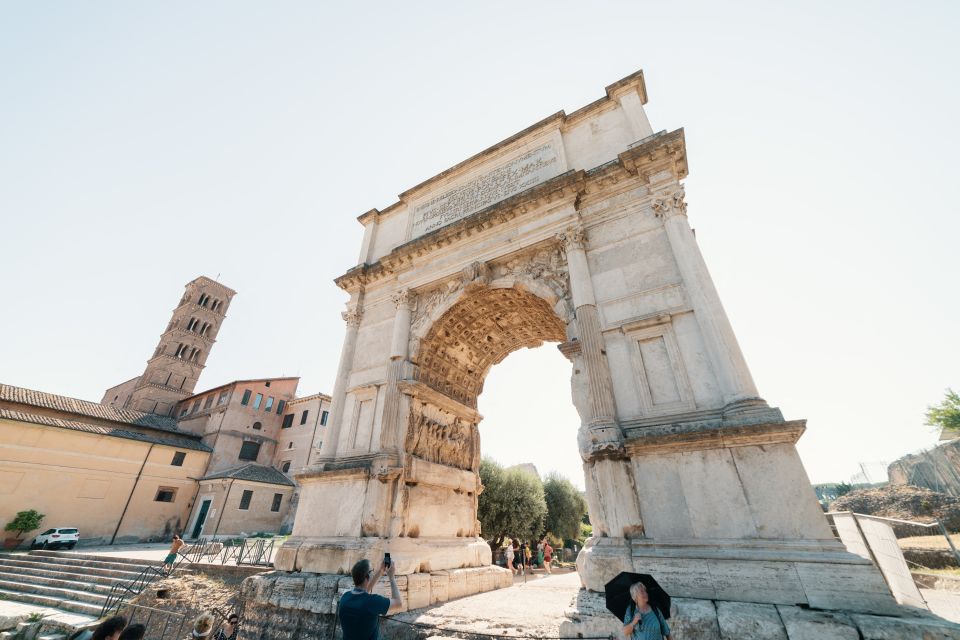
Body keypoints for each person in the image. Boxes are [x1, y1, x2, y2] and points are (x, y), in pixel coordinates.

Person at [338, 557, 403, 640]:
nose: (373, 572)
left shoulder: (345, 598)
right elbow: (398, 603)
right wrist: (391, 576)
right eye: (372, 571)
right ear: (367, 577)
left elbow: (364, 593)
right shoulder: (373, 602)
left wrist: (380, 572)